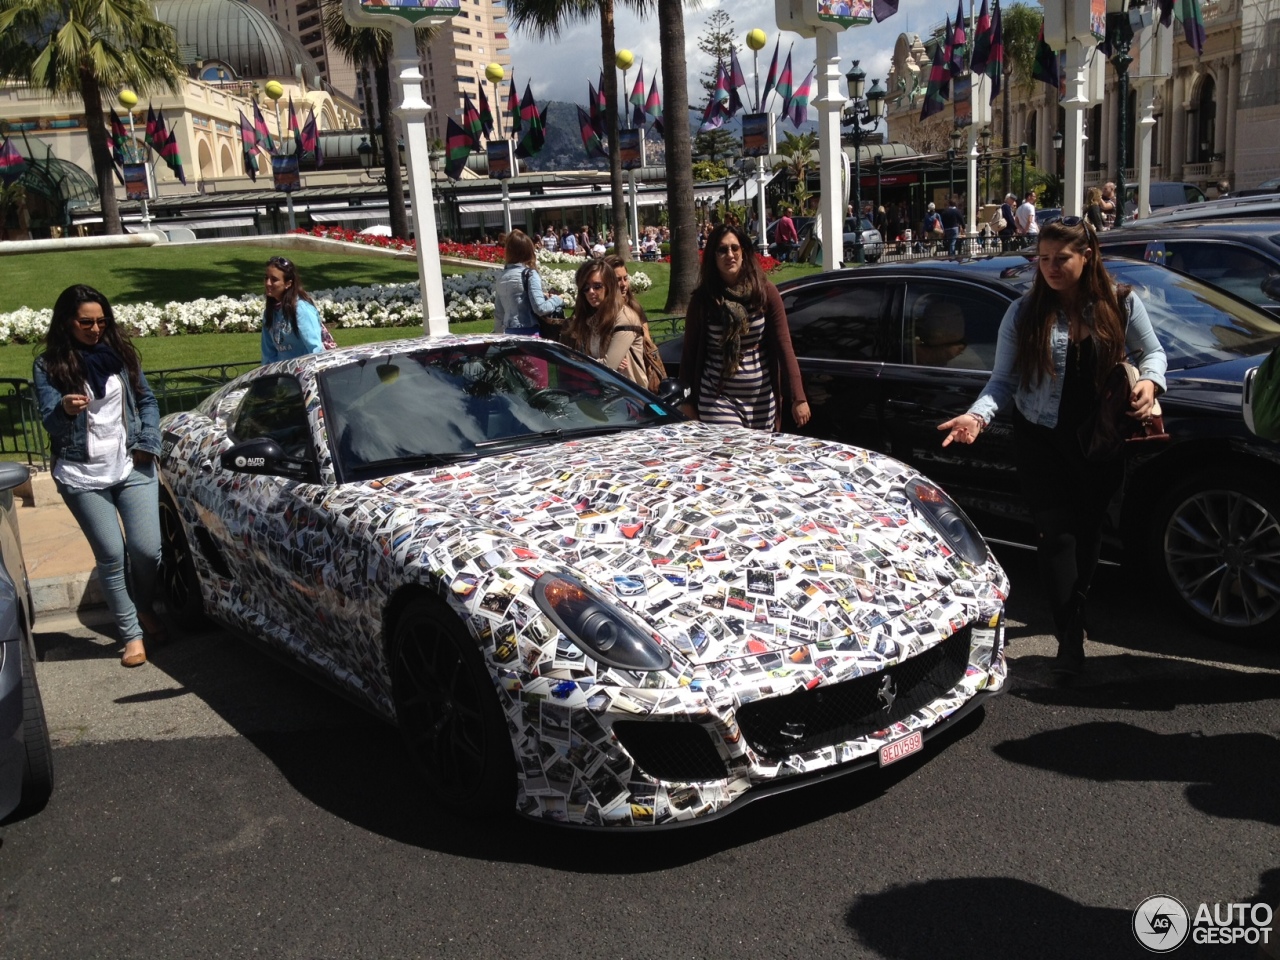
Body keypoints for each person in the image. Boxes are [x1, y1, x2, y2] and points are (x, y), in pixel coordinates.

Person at [937, 218, 1167, 683]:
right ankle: (1070, 641)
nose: (1050, 268)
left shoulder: (1121, 304)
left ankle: (1076, 614)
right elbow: (1003, 381)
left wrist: (1149, 381)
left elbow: (1155, 353)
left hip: (1101, 440)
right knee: (1056, 537)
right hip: (1040, 438)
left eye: (1060, 258)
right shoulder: (1024, 314)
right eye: (1043, 259)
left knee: (1089, 538)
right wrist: (977, 416)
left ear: (1087, 256)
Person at [34, 285, 165, 668]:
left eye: (101, 322)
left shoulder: (119, 356)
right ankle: (132, 635)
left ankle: (141, 607)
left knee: (146, 550)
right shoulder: (48, 366)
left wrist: (147, 440)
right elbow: (50, 423)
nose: (95, 329)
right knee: (111, 554)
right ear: (67, 323)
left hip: (131, 464)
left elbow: (146, 401)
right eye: (86, 322)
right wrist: (64, 409)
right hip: (81, 473)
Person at [679, 224, 810, 431]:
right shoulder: (703, 300)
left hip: (761, 399)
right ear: (713, 256)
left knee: (758, 460)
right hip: (718, 398)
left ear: (744, 252)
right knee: (733, 452)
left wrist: (798, 397)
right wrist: (685, 400)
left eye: (735, 248)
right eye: (722, 250)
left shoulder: (765, 292)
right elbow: (689, 353)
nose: (729, 255)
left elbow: (784, 345)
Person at [562, 258, 646, 387]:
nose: (591, 292)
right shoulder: (591, 318)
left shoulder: (624, 318)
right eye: (586, 288)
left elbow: (608, 367)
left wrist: (578, 360)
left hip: (629, 395)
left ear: (609, 286)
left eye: (597, 286)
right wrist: (599, 361)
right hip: (599, 392)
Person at [493, 229, 564, 336]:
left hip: (508, 333)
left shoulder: (501, 277)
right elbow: (540, 308)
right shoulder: (529, 274)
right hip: (529, 333)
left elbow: (499, 313)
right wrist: (557, 299)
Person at [262, 256, 325, 363]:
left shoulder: (301, 309)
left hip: (304, 374)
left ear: (288, 284)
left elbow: (315, 350)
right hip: (282, 376)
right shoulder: (270, 312)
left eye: (274, 279)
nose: (268, 283)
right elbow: (268, 354)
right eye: (266, 277)